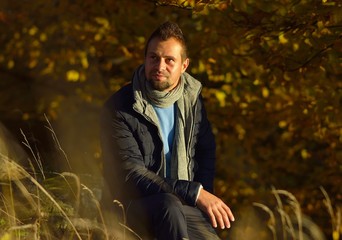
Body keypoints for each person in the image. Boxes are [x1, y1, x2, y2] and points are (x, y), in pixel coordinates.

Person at [100, 21, 235, 240]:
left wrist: (203, 197)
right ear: (145, 59)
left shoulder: (192, 102)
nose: (159, 66)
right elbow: (131, 174)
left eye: (169, 60)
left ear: (184, 65)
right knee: (168, 205)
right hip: (129, 206)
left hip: (183, 205)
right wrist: (195, 193)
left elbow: (205, 152)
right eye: (153, 57)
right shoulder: (120, 107)